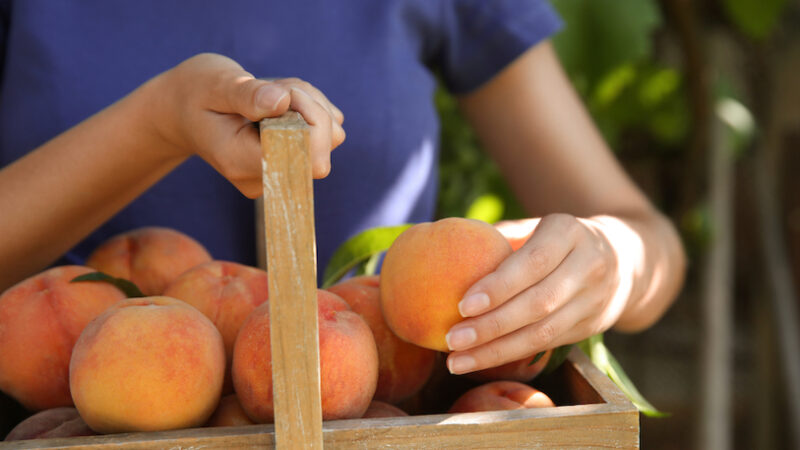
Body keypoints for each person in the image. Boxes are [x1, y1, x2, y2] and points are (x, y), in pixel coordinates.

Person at [0, 0, 685, 375]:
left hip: (376, 411)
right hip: (60, 416)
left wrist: (611, 258)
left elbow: (647, 238)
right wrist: (156, 124)